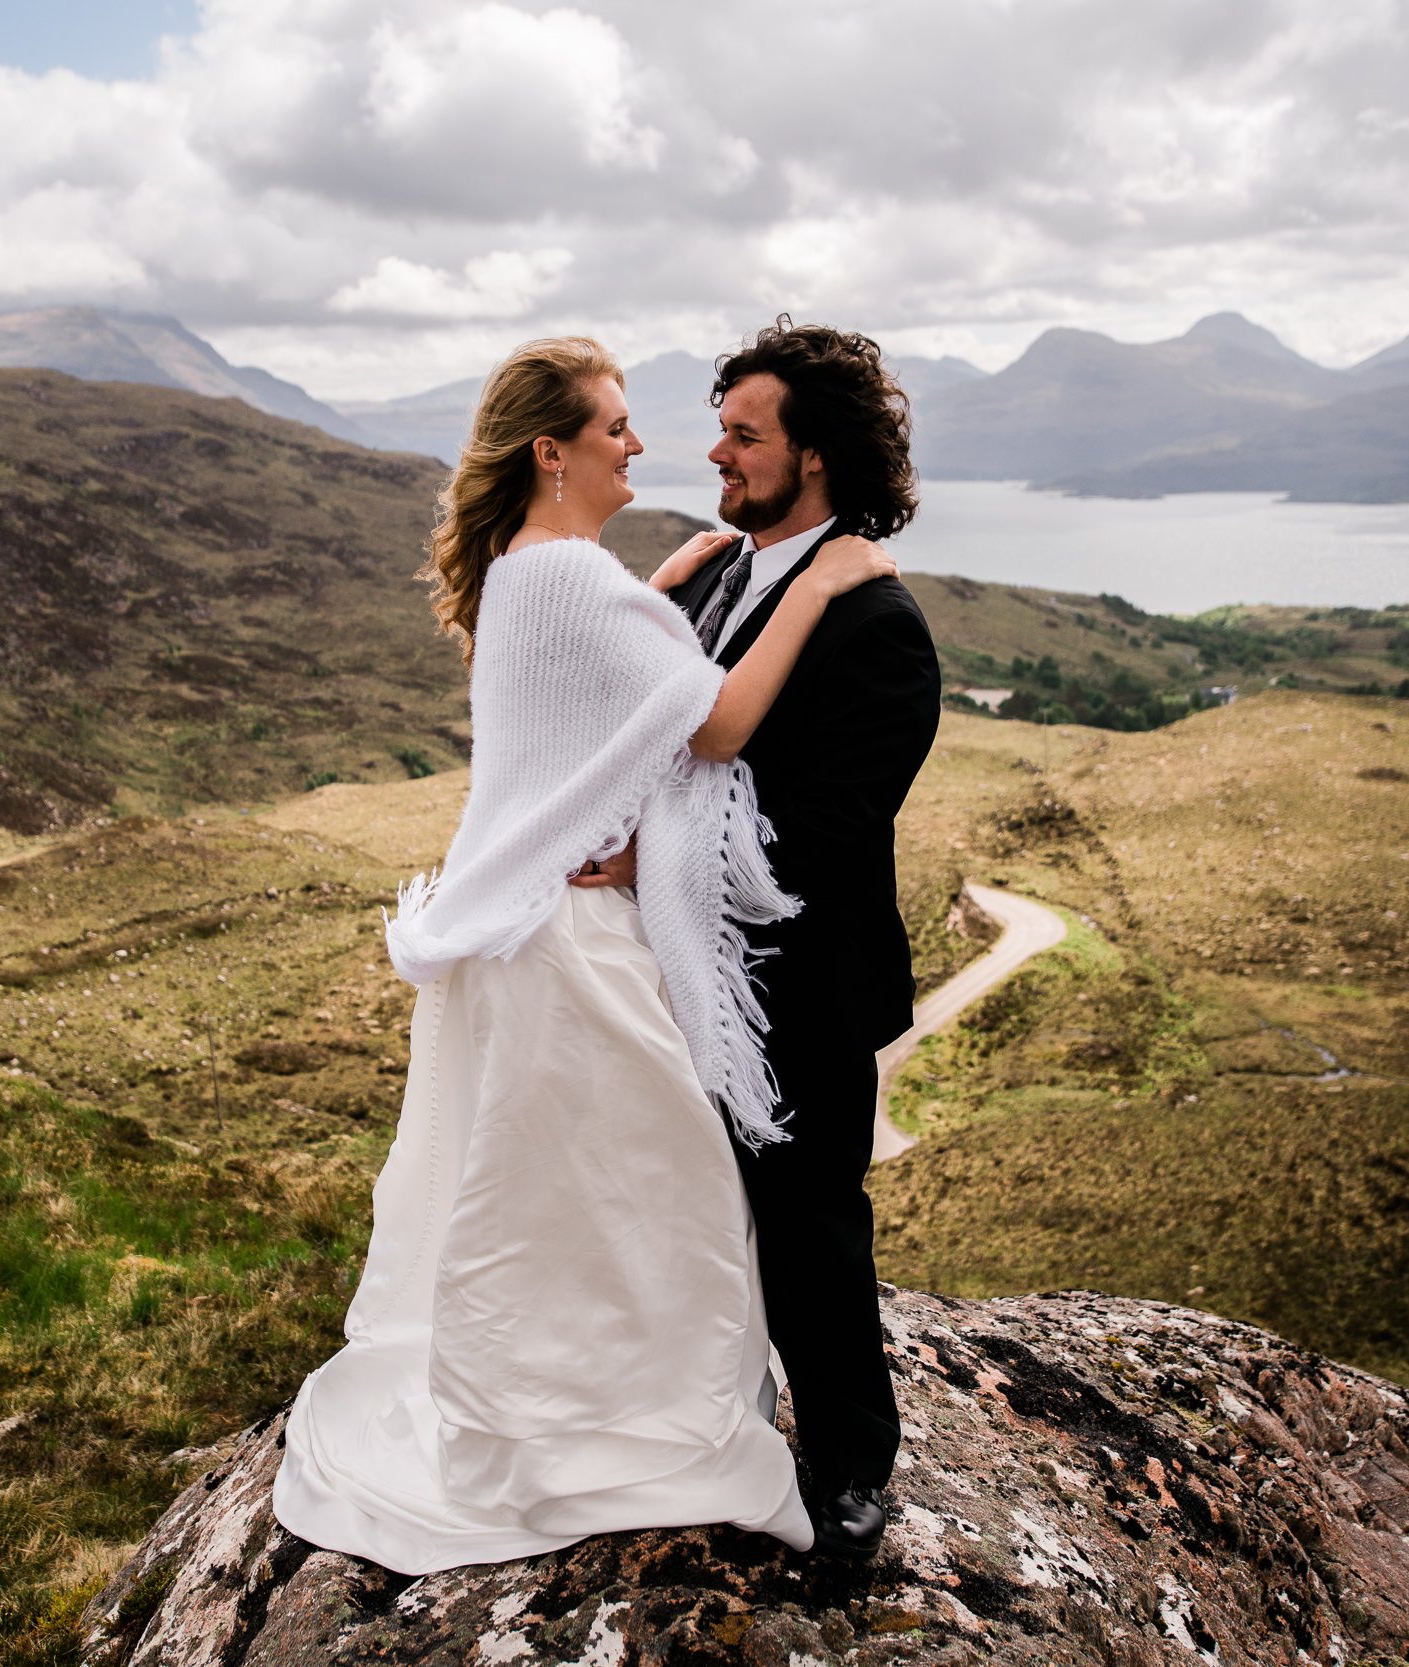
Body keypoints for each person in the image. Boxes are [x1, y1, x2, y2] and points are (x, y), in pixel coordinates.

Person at [272, 335, 898, 1575]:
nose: (645, 442)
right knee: (641, 1199)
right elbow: (711, 720)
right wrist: (816, 588)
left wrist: (659, 591)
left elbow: (598, 690)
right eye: (617, 424)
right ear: (552, 449)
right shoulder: (573, 580)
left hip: (554, 941)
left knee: (577, 1201)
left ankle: (594, 1419)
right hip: (570, 953)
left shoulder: (537, 571)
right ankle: (613, 1427)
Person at [659, 320, 939, 1560]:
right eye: (721, 427)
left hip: (802, 988)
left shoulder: (878, 624)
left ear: (812, 458)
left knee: (809, 1224)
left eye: (742, 432)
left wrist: (647, 854)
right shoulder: (723, 573)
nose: (716, 451)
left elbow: (819, 829)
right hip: (676, 968)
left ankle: (848, 1474)